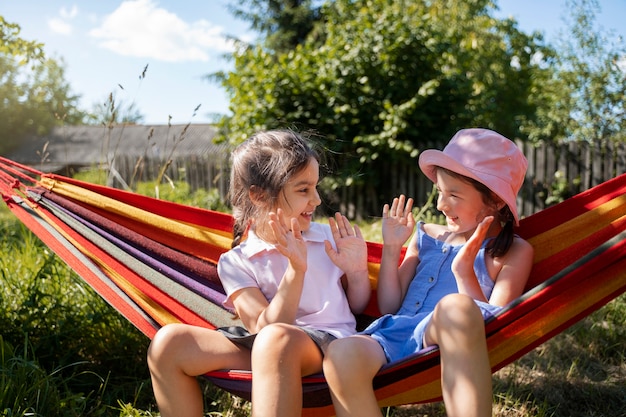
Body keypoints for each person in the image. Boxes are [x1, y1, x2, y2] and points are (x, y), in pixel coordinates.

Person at [147, 130, 371, 417]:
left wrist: (357, 272)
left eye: (316, 187)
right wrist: (296, 270)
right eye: (303, 190)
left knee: (276, 341)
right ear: (260, 196)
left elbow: (359, 306)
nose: (316, 199)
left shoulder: (328, 238)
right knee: (169, 344)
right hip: (266, 341)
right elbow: (262, 329)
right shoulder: (235, 262)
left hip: (330, 341)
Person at [323, 128, 535, 417]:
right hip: (395, 334)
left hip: (447, 331)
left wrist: (464, 272)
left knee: (456, 306)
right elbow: (389, 306)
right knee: (340, 353)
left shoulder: (512, 251)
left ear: (496, 201)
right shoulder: (426, 235)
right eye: (440, 192)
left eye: (454, 195)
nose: (440, 205)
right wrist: (392, 247)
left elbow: (493, 325)